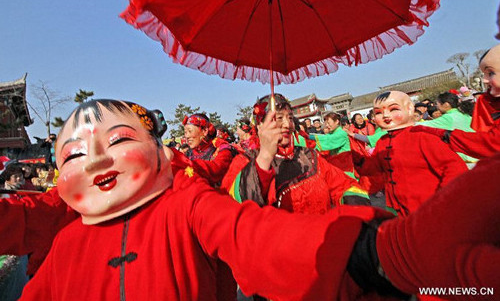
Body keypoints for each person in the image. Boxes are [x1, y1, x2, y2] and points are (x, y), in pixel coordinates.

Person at [1, 99, 499, 301]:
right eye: (74, 155)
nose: (95, 162)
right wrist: (259, 158)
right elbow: (244, 196)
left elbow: (247, 231)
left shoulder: (184, 198)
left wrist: (372, 251)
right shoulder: (67, 243)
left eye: (118, 142)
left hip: (312, 268)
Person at [222, 95, 369, 212]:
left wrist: (357, 213)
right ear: (260, 125)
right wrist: (265, 157)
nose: (287, 124)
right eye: (279, 118)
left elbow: (343, 186)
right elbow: (236, 209)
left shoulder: (309, 156)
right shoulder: (244, 161)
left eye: (290, 118)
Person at [353, 91, 468, 217]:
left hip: (427, 206)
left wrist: (444, 197)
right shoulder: (383, 142)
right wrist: (355, 157)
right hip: (396, 208)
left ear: (409, 109)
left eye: (393, 109)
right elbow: (373, 168)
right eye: (379, 112)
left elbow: (454, 168)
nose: (386, 115)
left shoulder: (422, 136)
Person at [181, 113, 235, 185]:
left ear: (204, 131)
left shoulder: (220, 150)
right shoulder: (187, 154)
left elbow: (217, 169)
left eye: (190, 131)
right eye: (185, 132)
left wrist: (192, 166)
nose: (186, 136)